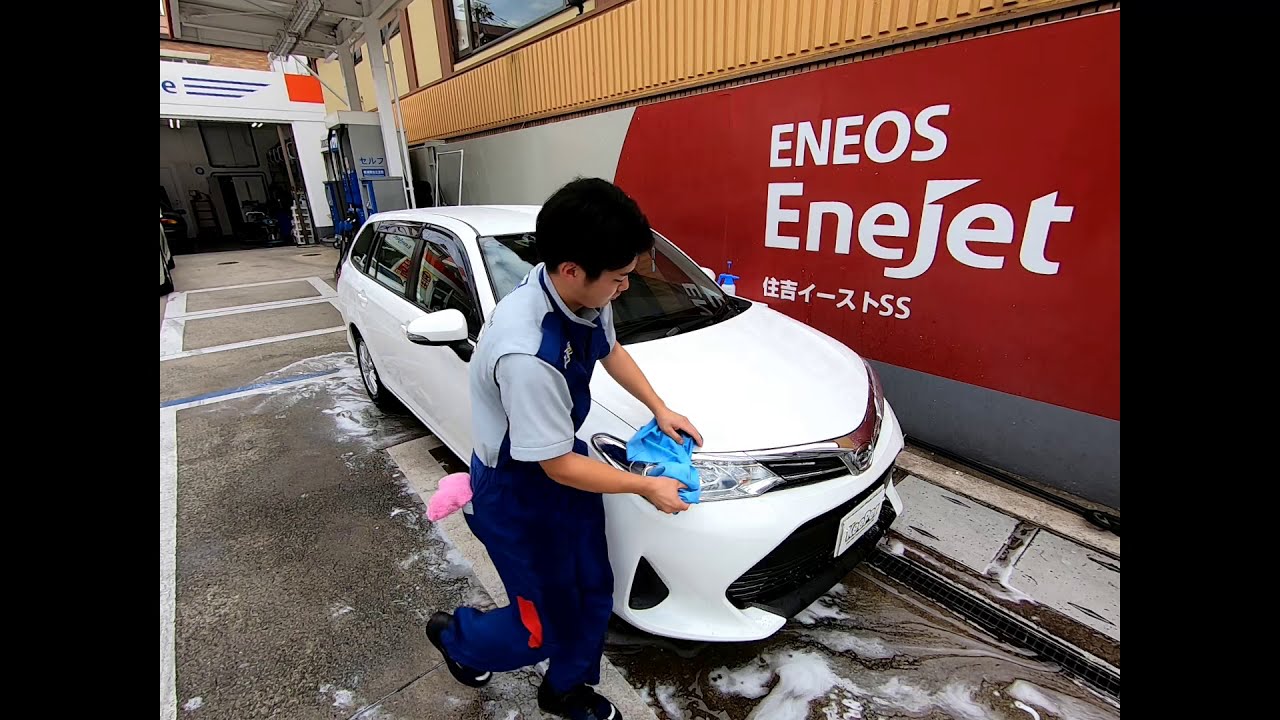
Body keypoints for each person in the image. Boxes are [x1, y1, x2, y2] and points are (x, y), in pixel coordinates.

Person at [426, 178, 703, 720]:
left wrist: (659, 407)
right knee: (541, 625)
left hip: (564, 462)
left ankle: (566, 690)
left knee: (593, 588)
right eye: (618, 278)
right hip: (517, 490)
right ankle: (459, 639)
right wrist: (646, 485)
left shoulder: (576, 292)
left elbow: (609, 347)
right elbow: (553, 466)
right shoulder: (528, 352)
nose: (624, 288)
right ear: (572, 268)